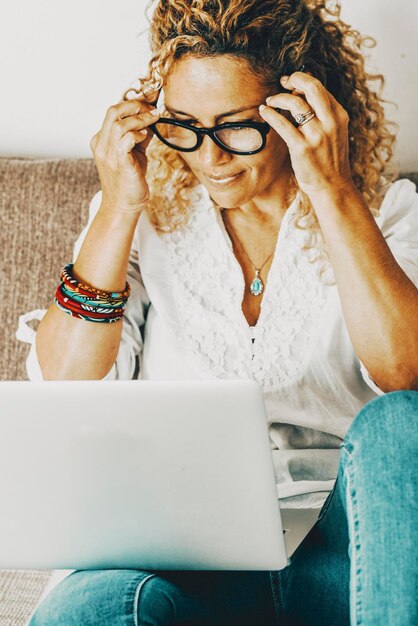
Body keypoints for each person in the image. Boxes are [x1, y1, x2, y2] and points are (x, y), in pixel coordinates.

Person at [23, 0, 418, 624]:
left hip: (348, 557)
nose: (210, 159)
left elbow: (407, 377)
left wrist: (333, 191)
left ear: (298, 114)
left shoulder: (387, 212)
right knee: (90, 607)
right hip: (179, 557)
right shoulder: (144, 218)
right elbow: (67, 387)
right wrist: (119, 209)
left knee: (404, 423)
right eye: (183, 126)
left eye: (236, 126)